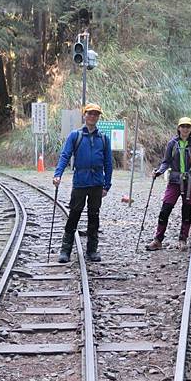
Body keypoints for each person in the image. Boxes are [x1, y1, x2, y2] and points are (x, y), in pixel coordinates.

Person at [53, 103, 112, 263]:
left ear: (98, 117)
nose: (93, 116)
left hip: (97, 183)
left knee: (94, 216)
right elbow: (65, 155)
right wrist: (58, 174)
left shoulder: (104, 138)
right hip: (80, 181)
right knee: (74, 214)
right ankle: (65, 250)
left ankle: (92, 251)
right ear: (84, 115)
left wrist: (107, 185)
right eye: (90, 114)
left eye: (96, 114)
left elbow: (108, 163)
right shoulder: (75, 135)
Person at [145, 117, 191, 252]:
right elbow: (166, 161)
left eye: (188, 127)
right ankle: (158, 240)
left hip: (189, 182)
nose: (185, 129)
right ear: (178, 128)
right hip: (174, 181)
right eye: (183, 126)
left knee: (186, 211)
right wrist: (159, 171)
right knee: (165, 209)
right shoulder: (172, 143)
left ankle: (183, 239)